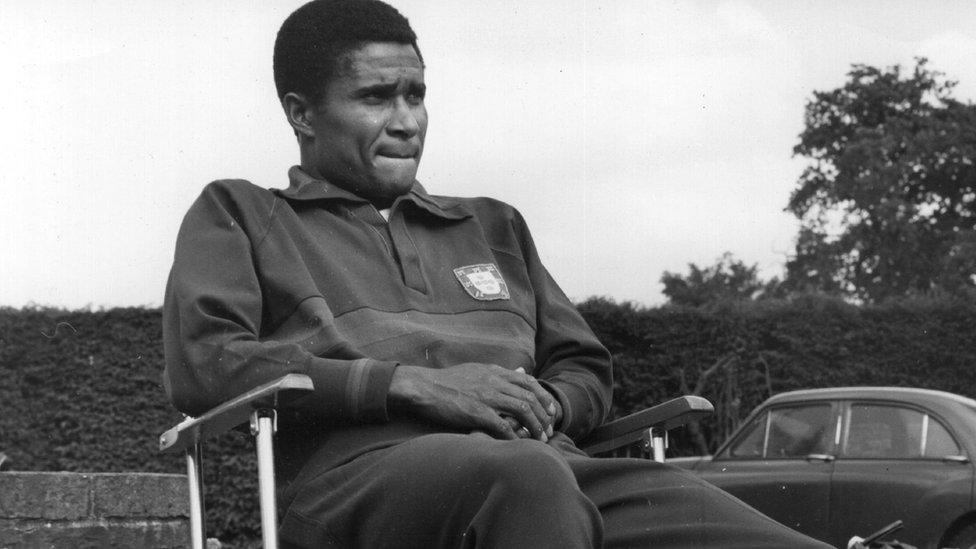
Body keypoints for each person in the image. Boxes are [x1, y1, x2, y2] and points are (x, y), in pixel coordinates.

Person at [163, 1, 833, 547]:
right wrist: (413, 385)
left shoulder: (491, 226)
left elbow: (582, 364)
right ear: (302, 113)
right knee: (523, 479)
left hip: (547, 461)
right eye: (376, 97)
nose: (406, 122)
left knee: (733, 529)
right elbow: (208, 364)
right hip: (353, 484)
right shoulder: (242, 214)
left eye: (415, 95)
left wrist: (545, 402)